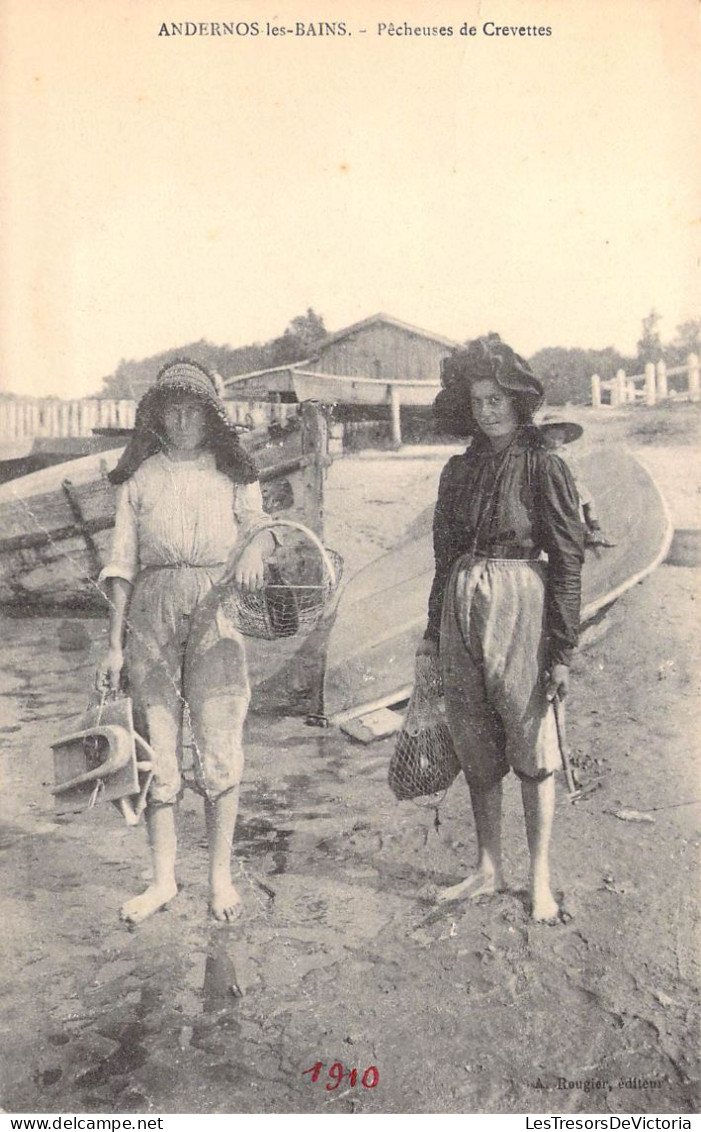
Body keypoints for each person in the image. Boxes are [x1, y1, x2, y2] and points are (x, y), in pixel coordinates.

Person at [96, 359, 275, 926]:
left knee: (220, 741)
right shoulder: (140, 479)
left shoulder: (233, 474)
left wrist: (251, 549)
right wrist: (114, 645)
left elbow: (263, 532)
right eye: (170, 411)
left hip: (216, 607)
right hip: (151, 608)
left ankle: (220, 878)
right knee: (157, 746)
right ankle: (163, 879)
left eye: (192, 411)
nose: (181, 421)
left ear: (209, 416)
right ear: (157, 417)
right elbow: (122, 564)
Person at [420, 337, 584, 922]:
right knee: (474, 738)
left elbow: (567, 561)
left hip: (521, 601)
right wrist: (432, 635)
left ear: (518, 402)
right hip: (462, 599)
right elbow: (443, 559)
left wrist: (562, 650)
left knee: (530, 734)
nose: (488, 409)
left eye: (497, 399)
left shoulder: (545, 466)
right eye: (478, 400)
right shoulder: (458, 471)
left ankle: (538, 879)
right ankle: (489, 866)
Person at [540, 421, 616, 548]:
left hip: (573, 483)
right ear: (544, 436)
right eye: (552, 437)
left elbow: (576, 470)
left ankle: (597, 531)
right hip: (557, 487)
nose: (556, 442)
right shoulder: (543, 454)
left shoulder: (565, 452)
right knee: (576, 506)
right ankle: (586, 532)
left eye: (560, 438)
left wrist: (574, 474)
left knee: (590, 502)